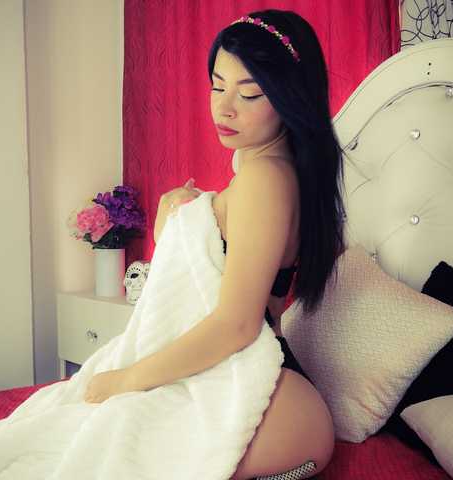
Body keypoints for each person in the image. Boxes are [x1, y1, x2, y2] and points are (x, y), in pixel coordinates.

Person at [84, 9, 346, 480]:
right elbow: (206, 277)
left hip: (264, 392)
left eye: (249, 93)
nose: (224, 108)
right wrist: (178, 217)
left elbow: (236, 324)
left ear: (290, 98)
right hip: (249, 381)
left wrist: (127, 380)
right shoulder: (262, 171)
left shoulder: (265, 178)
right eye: (217, 86)